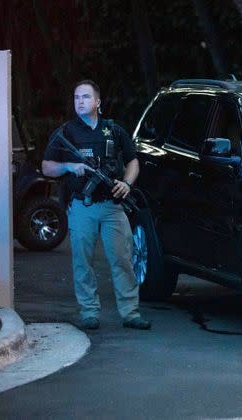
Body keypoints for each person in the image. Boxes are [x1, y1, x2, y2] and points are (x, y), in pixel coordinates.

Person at [42, 80, 151, 330]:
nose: (79, 101)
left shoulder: (113, 131)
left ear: (97, 102)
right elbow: (47, 166)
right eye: (76, 97)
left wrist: (126, 183)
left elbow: (133, 162)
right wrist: (69, 167)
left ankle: (130, 312)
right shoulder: (66, 132)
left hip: (112, 205)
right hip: (83, 205)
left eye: (85, 97)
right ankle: (89, 311)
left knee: (123, 259)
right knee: (83, 261)